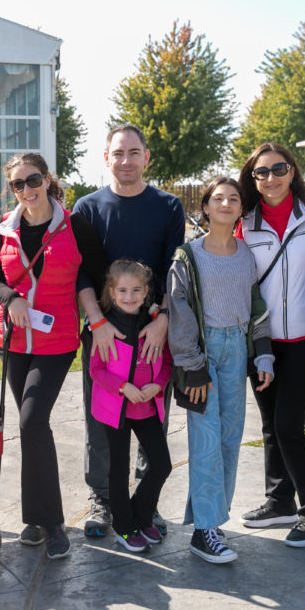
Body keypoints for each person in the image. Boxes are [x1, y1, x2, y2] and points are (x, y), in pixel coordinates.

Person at [0, 153, 106, 560]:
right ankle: (36, 521)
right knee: (31, 428)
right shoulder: (5, 226)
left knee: (33, 419)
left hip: (55, 343)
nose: (26, 190)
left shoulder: (73, 225)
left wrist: (96, 315)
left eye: (32, 180)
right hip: (14, 341)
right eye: (17, 184)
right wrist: (12, 297)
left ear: (47, 179)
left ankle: (51, 524)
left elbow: (94, 271)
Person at [74, 123, 185, 539]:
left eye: (133, 152)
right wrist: (97, 323)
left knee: (149, 415)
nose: (126, 161)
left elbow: (177, 270)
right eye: (118, 153)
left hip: (153, 327)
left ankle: (144, 503)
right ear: (106, 158)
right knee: (102, 420)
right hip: (104, 330)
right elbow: (81, 273)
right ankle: (103, 499)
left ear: (146, 157)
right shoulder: (87, 208)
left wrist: (163, 321)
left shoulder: (168, 207)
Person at [167, 177, 274, 563]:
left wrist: (263, 354)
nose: (226, 203)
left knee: (229, 441)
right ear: (206, 209)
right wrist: (193, 367)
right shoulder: (187, 257)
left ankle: (210, 523)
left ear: (241, 209)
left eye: (233, 198)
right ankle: (205, 531)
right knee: (206, 441)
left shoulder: (247, 255)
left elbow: (257, 306)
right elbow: (178, 312)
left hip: (236, 352)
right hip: (203, 355)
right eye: (217, 198)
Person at [236, 143, 305, 547]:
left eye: (279, 169)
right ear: (253, 179)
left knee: (289, 426)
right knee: (271, 425)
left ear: (293, 171)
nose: (271, 178)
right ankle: (280, 502)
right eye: (262, 172)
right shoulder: (245, 223)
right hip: (262, 341)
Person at [89, 260, 173, 552]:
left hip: (147, 407)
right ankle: (124, 526)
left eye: (136, 290)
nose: (129, 296)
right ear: (112, 292)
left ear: (146, 291)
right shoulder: (105, 327)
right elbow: (96, 371)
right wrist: (124, 388)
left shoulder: (154, 326)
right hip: (117, 409)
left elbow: (167, 363)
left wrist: (158, 386)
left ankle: (141, 514)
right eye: (122, 290)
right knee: (119, 471)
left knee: (162, 465)